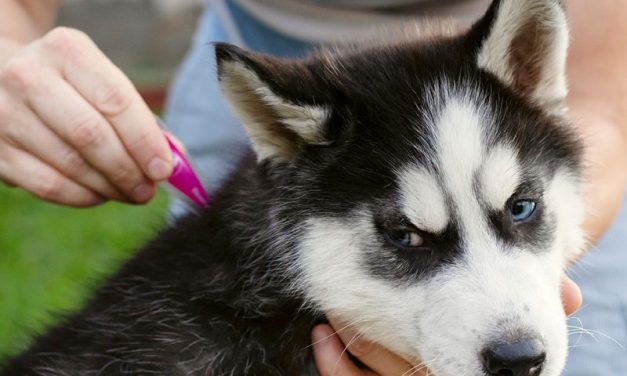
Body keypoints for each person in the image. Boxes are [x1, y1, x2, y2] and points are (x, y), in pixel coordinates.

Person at [0, 1, 624, 374]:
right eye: (408, 235)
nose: (508, 321)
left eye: (521, 208)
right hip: (273, 59)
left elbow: (608, 111)